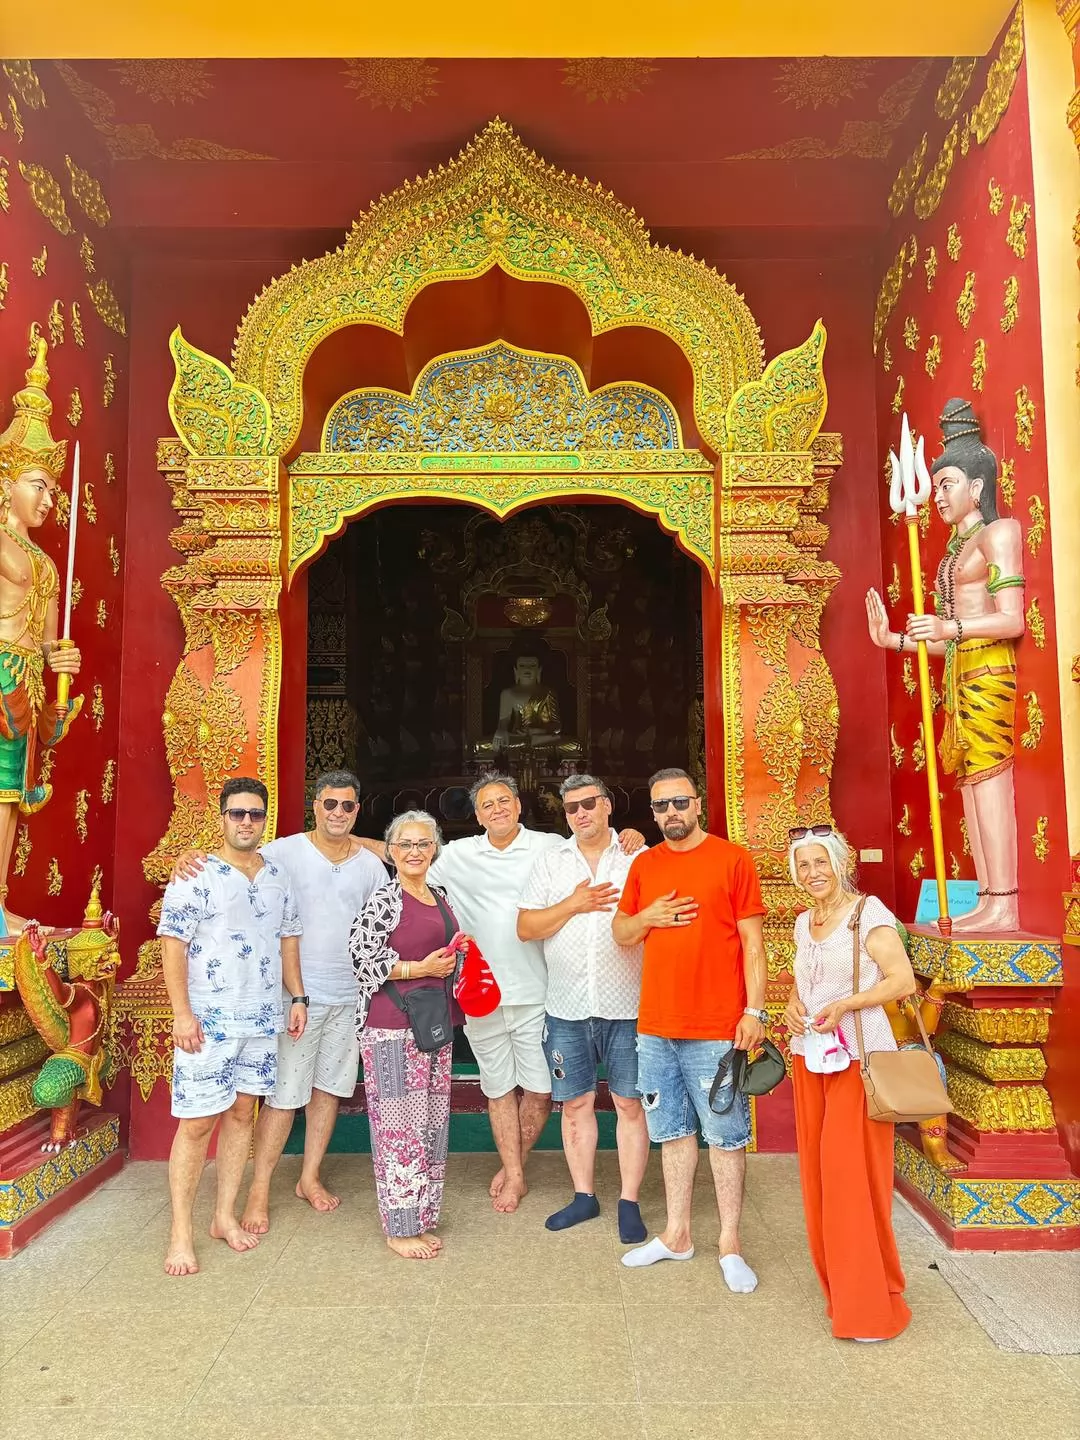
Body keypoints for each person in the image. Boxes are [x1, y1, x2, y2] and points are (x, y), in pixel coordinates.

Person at [360, 772, 643, 1214]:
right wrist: (339, 837)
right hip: (479, 992)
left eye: (504, 801)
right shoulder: (458, 854)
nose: (497, 810)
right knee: (497, 1088)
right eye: (487, 804)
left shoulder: (550, 846)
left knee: (540, 1090)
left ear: (519, 805)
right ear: (476, 815)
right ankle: (513, 1174)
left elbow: (594, 841)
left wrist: (630, 834)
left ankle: (517, 1163)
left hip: (539, 990)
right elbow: (403, 850)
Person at [170, 769, 388, 1232]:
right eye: (330, 804)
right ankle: (255, 1193)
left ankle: (307, 1178)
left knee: (325, 1092)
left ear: (357, 811)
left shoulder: (357, 867)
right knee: (280, 1098)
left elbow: (368, 925)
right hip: (264, 1007)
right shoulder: (280, 854)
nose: (338, 813)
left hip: (334, 997)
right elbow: (222, 871)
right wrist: (186, 856)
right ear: (315, 806)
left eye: (348, 806)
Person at [866, 398, 1025, 932]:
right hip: (960, 673)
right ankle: (986, 895)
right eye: (935, 486)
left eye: (947, 484)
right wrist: (896, 641)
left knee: (991, 779)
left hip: (989, 671)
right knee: (970, 784)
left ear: (977, 487)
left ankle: (1005, 901)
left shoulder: (999, 534)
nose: (938, 496)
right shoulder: (954, 550)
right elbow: (947, 637)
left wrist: (948, 628)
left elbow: (1011, 620)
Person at [613, 767, 766, 1293]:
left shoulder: (732, 859)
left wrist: (755, 1011)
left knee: (725, 1136)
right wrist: (649, 916)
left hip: (717, 1025)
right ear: (652, 813)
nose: (671, 812)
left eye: (680, 802)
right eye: (661, 805)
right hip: (656, 1024)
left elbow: (753, 944)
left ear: (698, 804)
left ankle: (730, 1243)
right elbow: (621, 932)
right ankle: (677, 1234)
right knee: (672, 1132)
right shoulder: (645, 865)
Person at [158, 777, 306, 1277]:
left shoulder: (278, 875)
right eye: (237, 813)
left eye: (255, 814)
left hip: (261, 1016)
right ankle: (181, 1233)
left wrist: (298, 996)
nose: (247, 822)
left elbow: (288, 940)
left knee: (244, 1114)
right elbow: (172, 945)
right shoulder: (195, 873)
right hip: (208, 1021)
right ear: (221, 817)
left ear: (266, 819)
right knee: (198, 1122)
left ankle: (223, 1216)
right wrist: (182, 1013)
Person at [784, 824, 915, 1342]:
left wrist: (847, 1004)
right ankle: (841, 1290)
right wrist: (793, 1005)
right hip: (810, 1057)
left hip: (858, 1059)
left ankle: (870, 1306)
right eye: (803, 865)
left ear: (841, 863)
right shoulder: (803, 922)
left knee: (849, 1178)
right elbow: (804, 983)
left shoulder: (868, 914)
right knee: (819, 1178)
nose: (813, 873)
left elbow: (902, 981)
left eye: (821, 862)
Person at [517, 773, 649, 1242]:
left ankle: (629, 1201)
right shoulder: (552, 861)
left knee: (630, 1104)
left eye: (589, 803)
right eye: (571, 807)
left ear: (608, 805)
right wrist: (573, 904)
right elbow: (526, 927)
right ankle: (583, 1196)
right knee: (574, 1104)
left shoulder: (638, 856)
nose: (580, 813)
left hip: (629, 1005)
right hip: (566, 1006)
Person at [350, 809, 462, 1259]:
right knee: (399, 1129)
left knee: (430, 1124)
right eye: (405, 844)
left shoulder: (440, 894)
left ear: (435, 849)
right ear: (391, 851)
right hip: (391, 1027)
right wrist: (420, 968)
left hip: (433, 1021)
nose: (415, 852)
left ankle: (421, 1216)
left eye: (423, 843)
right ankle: (399, 1228)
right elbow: (360, 960)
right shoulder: (385, 899)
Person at [0, 341, 83, 935]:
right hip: (0, 670)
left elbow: (49, 640)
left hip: (26, 681)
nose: (48, 499)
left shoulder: (48, 566)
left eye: (53, 489)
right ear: (6, 483)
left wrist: (62, 657)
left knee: (10, 796)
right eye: (37, 484)